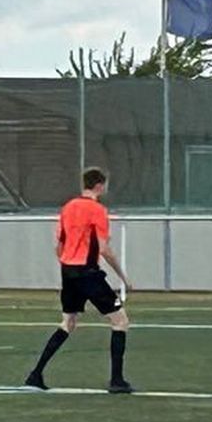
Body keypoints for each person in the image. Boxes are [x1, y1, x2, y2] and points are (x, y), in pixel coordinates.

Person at [24, 166, 135, 393]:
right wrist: (123, 277)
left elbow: (59, 246)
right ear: (99, 186)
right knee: (120, 321)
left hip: (68, 271)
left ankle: (35, 374)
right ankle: (117, 380)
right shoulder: (97, 210)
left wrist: (68, 265)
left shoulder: (68, 208)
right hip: (88, 273)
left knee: (68, 323)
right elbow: (104, 249)